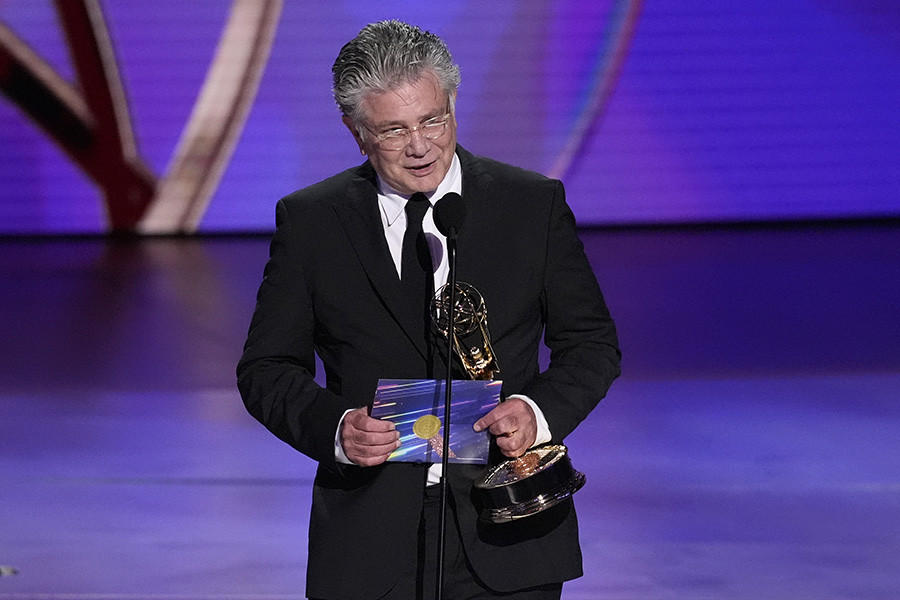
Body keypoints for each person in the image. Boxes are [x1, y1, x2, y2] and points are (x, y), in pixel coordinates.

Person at [237, 20, 621, 600]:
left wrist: (536, 413)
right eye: (393, 129)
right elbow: (265, 369)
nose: (420, 146)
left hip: (511, 529)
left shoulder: (531, 205)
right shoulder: (313, 222)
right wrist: (336, 430)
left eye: (432, 120)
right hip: (369, 540)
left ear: (453, 105)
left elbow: (591, 345)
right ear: (356, 132)